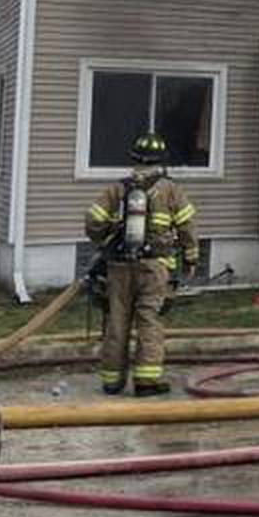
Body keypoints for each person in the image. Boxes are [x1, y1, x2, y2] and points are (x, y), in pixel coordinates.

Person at [85, 130, 197, 396]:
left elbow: (93, 221)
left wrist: (105, 238)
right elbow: (186, 227)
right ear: (161, 161)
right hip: (154, 267)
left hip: (118, 267)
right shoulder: (171, 190)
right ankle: (146, 382)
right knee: (149, 321)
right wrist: (191, 258)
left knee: (116, 321)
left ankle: (112, 381)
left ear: (134, 160)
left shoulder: (118, 188)